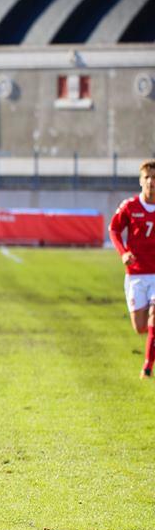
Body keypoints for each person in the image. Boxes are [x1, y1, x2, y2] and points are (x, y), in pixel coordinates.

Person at [110, 159, 155, 378]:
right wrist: (123, 253)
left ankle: (147, 366)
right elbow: (114, 229)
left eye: (154, 178)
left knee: (154, 315)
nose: (151, 182)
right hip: (136, 274)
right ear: (140, 181)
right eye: (147, 177)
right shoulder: (130, 206)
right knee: (140, 327)